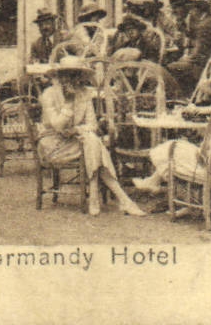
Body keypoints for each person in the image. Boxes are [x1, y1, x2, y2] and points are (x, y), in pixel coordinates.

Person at [36, 56, 146, 217]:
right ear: (59, 76)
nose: (71, 80)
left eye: (75, 75)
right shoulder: (49, 94)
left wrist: (76, 130)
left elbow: (92, 125)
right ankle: (121, 199)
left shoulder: (84, 94)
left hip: (77, 141)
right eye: (66, 75)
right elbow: (58, 126)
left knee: (92, 141)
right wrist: (68, 103)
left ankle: (96, 194)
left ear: (80, 77)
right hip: (53, 144)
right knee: (94, 143)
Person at [135, 67, 211, 195]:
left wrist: (203, 137)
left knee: (172, 149)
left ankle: (164, 187)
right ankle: (154, 182)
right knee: (174, 145)